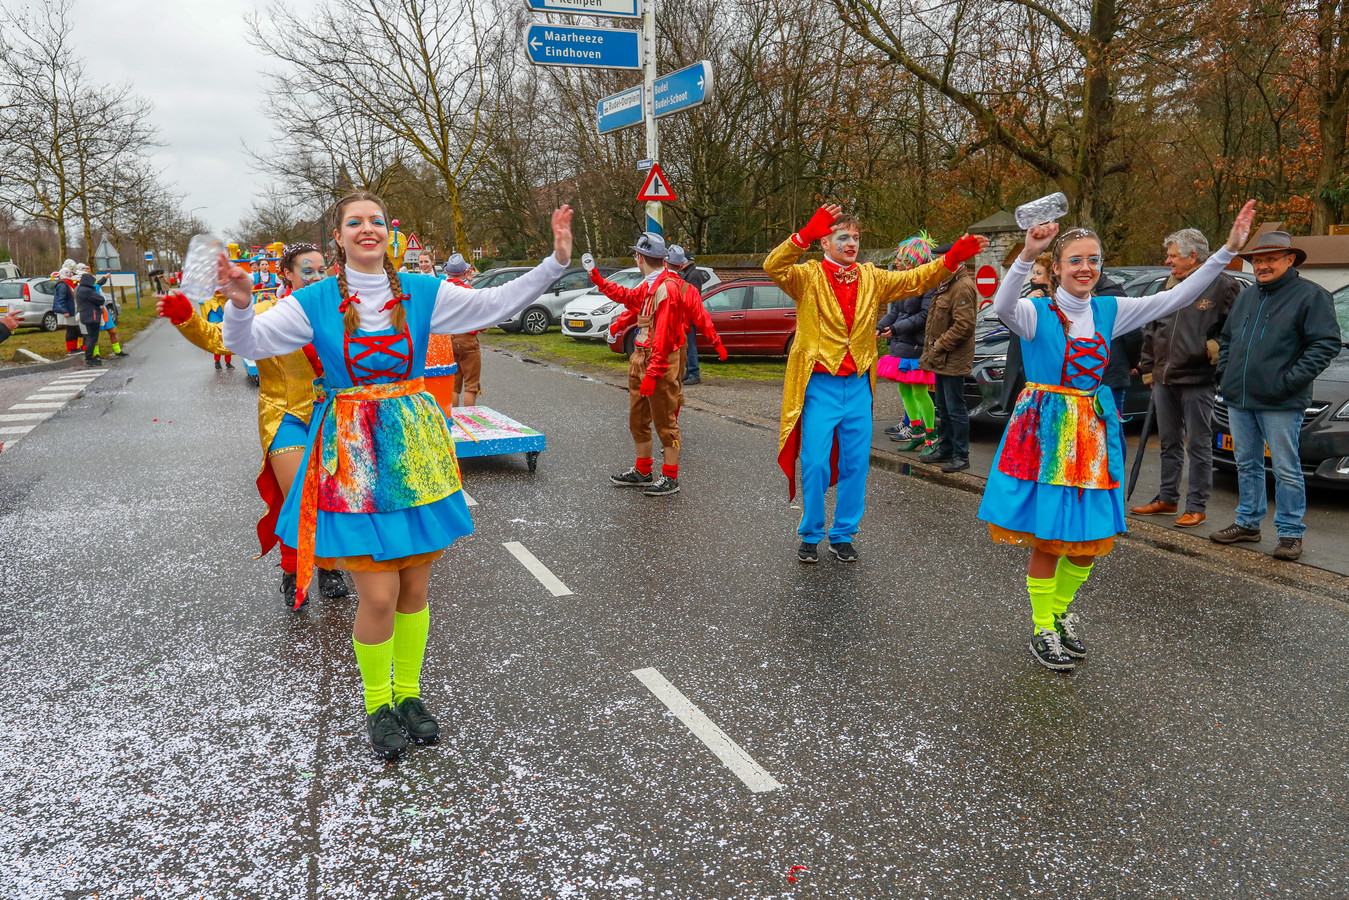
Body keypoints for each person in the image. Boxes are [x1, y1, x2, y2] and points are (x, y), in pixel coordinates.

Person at [219, 191, 575, 761]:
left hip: (413, 449)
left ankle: (409, 695)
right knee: (378, 593)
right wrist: (239, 305)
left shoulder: (424, 292)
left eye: (376, 221)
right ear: (337, 236)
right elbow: (249, 343)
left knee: (414, 586)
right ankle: (377, 704)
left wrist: (556, 261)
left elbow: (495, 304)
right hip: (353, 454)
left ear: (388, 232)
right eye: (354, 222)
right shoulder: (311, 302)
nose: (367, 229)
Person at [978, 200, 1255, 672]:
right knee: (1050, 539)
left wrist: (1227, 250)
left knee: (1089, 542)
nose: (1085, 268)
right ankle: (1042, 625)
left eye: (1093, 260)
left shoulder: (1111, 309)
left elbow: (1176, 297)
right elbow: (1001, 305)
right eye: (1075, 260)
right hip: (1046, 435)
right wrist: (1027, 254)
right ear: (1059, 268)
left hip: (1091, 432)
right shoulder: (1032, 312)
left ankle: (1061, 613)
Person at [765, 204, 987, 563]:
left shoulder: (872, 277)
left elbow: (914, 279)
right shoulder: (806, 277)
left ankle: (843, 533)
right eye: (843, 236)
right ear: (824, 243)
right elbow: (772, 266)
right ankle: (810, 531)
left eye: (855, 237)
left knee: (856, 464)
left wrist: (950, 260)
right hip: (819, 387)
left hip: (857, 387)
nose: (851, 243)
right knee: (816, 463)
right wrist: (802, 235)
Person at [157, 242, 350, 605]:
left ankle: (327, 567)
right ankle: (293, 571)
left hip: (333, 417)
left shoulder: (338, 312)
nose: (316, 276)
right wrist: (187, 318)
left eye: (322, 270)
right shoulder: (263, 311)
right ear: (286, 275)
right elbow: (221, 339)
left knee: (328, 496)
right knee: (298, 494)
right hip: (284, 415)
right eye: (307, 270)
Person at [1209, 230, 1341, 561]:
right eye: (1257, 260)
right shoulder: (1248, 296)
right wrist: (1225, 374)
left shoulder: (1311, 296)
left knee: (1286, 468)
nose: (1262, 266)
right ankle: (1248, 523)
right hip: (1239, 398)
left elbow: (1326, 343)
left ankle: (1290, 533)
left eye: (1270, 259)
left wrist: (1288, 380)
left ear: (1290, 259)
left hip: (1282, 401)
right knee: (1247, 463)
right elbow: (1227, 339)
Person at [1131, 229, 1240, 527]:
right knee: (1168, 442)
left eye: (1172, 255)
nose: (1167, 261)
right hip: (1164, 379)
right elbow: (1151, 330)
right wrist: (1150, 369)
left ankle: (1196, 505)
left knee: (1199, 444)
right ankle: (1167, 498)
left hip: (1198, 378)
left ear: (1194, 257)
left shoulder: (1223, 286)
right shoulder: (1166, 287)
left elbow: (1236, 329)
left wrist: (1214, 348)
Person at [587, 233, 691, 498]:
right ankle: (643, 471)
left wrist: (653, 372)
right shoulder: (649, 285)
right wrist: (597, 279)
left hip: (659, 360)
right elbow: (627, 297)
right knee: (638, 419)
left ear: (640, 258)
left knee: (665, 421)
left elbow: (665, 338)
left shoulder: (667, 289)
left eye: (636, 254)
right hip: (641, 357)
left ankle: (670, 477)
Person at [917, 250, 978, 472]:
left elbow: (964, 326)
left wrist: (938, 346)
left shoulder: (962, 286)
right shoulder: (946, 283)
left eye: (941, 261)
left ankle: (961, 456)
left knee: (955, 408)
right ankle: (946, 449)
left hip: (952, 358)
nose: (937, 265)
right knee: (942, 406)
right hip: (941, 359)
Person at [877, 235, 937, 451]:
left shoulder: (929, 283)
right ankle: (917, 431)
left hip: (916, 346)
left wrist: (894, 329)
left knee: (920, 392)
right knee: (905, 390)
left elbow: (924, 315)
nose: (903, 264)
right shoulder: (906, 282)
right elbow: (896, 312)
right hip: (902, 344)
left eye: (908, 261)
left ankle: (931, 437)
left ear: (919, 260)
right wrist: (880, 326)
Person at [997, 253, 1052, 414]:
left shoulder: (1053, 301)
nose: (1033, 277)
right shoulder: (1030, 294)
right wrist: (1026, 300)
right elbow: (1005, 317)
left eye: (1039, 273)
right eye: (1033, 272)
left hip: (1036, 365)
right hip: (1018, 363)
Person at [442, 254, 481, 407]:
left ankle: (455, 418)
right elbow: (479, 316)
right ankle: (469, 419)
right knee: (471, 385)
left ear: (447, 272)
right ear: (465, 271)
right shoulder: (469, 291)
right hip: (468, 339)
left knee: (454, 385)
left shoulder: (443, 292)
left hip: (449, 339)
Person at [668, 246, 709, 385]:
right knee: (685, 346)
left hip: (689, 317)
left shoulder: (693, 275)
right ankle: (689, 371)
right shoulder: (688, 274)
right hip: (684, 316)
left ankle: (694, 373)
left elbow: (693, 296)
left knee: (690, 345)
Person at [74, 267, 105, 368]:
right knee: (92, 337)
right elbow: (100, 300)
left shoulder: (79, 289)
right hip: (92, 315)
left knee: (90, 336)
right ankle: (89, 358)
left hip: (85, 315)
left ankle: (90, 357)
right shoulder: (88, 291)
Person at [52, 262, 80, 355]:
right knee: (71, 330)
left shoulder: (70, 284)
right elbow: (61, 299)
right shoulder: (62, 285)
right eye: (67, 273)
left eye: (70, 272)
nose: (70, 274)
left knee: (74, 330)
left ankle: (74, 347)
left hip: (72, 311)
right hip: (67, 312)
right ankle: (71, 349)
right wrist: (64, 310)